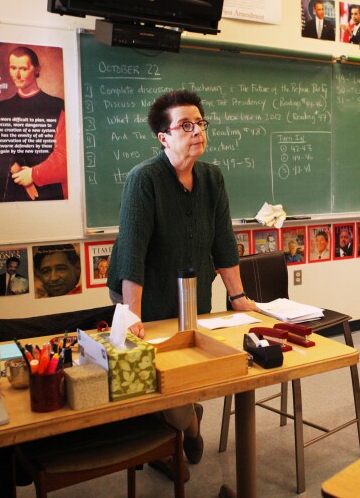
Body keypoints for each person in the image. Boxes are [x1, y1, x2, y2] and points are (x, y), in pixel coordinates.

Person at [105, 89, 257, 480]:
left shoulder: (211, 177)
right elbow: (132, 253)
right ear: (164, 137)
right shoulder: (145, 179)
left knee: (190, 366)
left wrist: (238, 296)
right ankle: (181, 432)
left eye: (200, 123)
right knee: (162, 376)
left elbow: (223, 239)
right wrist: (132, 314)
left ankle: (180, 420)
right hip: (145, 292)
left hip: (194, 293)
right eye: (185, 125)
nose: (197, 131)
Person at [0, 46, 67, 202]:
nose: (17, 74)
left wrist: (34, 174)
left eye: (23, 68)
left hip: (43, 198)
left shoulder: (57, 108)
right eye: (13, 68)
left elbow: (65, 156)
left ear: (36, 70)